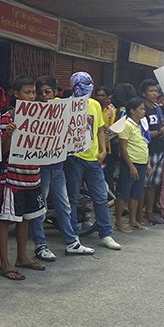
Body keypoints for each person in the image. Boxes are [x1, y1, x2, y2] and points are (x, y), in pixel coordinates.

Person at [31, 76, 95, 257]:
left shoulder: (64, 108)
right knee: (40, 207)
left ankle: (72, 242)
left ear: (55, 92)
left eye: (47, 91)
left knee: (64, 205)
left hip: (57, 167)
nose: (44, 96)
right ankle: (40, 245)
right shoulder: (33, 111)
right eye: (40, 92)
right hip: (42, 167)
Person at [0, 75, 47, 280]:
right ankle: (4, 264)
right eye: (27, 92)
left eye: (34, 92)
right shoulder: (8, 117)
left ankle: (22, 257)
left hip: (33, 176)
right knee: (7, 218)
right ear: (16, 94)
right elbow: (0, 151)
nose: (32, 96)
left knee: (25, 218)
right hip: (13, 179)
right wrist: (8, 134)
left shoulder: (41, 118)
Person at [64, 72, 121, 251]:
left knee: (101, 197)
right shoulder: (65, 105)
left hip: (93, 158)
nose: (85, 87)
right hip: (73, 158)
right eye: (82, 84)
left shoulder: (95, 104)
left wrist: (103, 150)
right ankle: (73, 235)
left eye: (88, 83)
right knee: (72, 199)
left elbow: (99, 129)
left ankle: (106, 233)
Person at [115, 97, 152, 232]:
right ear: (132, 110)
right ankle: (118, 221)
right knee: (123, 193)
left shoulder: (141, 124)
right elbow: (123, 147)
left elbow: (144, 143)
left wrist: (148, 163)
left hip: (142, 162)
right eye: (141, 109)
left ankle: (132, 220)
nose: (144, 111)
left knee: (136, 193)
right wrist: (131, 166)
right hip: (131, 163)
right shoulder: (126, 124)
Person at [141, 79, 164, 226]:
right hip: (147, 151)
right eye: (151, 91)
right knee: (144, 185)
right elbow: (142, 134)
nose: (154, 94)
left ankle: (149, 213)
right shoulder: (142, 110)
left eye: (156, 91)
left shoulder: (158, 108)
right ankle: (139, 215)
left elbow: (162, 124)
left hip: (159, 150)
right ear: (144, 93)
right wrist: (159, 132)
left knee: (154, 184)